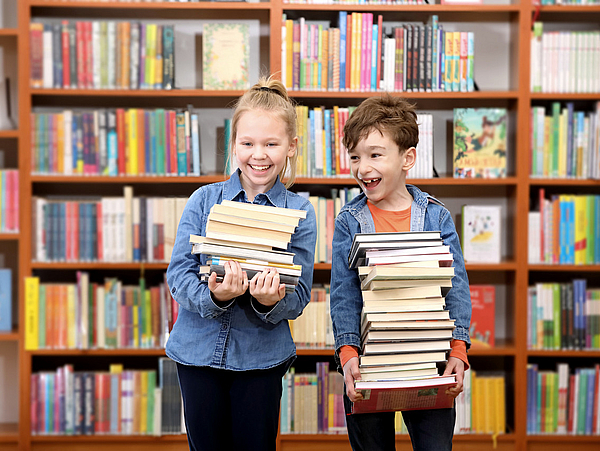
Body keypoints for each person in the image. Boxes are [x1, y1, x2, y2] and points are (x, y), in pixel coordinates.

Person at [166, 76, 317, 451]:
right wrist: (215, 298)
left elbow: (298, 295)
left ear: (291, 147)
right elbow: (179, 274)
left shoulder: (300, 211)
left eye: (271, 144)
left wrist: (270, 301)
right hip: (197, 355)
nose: (258, 154)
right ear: (233, 145)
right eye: (247, 143)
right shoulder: (204, 200)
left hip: (261, 360)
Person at [329, 96, 471, 451]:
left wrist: (457, 349)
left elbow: (455, 288)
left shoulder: (436, 218)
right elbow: (343, 293)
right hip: (369, 366)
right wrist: (348, 355)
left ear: (407, 158)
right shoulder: (349, 221)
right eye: (355, 156)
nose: (363, 168)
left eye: (375, 155)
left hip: (430, 364)